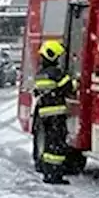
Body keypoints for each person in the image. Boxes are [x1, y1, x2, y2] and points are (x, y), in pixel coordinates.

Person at [32, 39, 74, 184]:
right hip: (56, 115)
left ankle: (48, 172)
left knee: (50, 144)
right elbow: (68, 88)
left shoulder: (40, 74)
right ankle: (55, 175)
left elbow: (38, 92)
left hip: (45, 114)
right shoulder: (55, 73)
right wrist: (74, 81)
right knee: (57, 145)